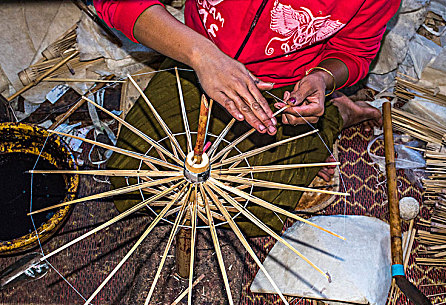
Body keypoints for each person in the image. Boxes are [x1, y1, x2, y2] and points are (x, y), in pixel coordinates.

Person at [93, 0, 400, 236]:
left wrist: (322, 78)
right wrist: (201, 55)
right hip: (196, 58)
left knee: (253, 213)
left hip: (285, 85)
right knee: (131, 180)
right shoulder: (199, 54)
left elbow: (354, 51)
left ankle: (335, 114)